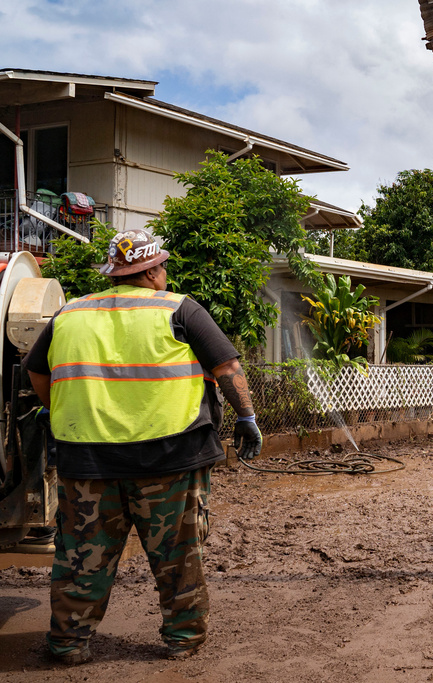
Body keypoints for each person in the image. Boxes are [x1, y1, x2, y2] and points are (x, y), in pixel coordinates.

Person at [26, 229, 264, 664]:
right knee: (178, 558)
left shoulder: (70, 313)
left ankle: (68, 643)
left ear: (115, 273)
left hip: (87, 462)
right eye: (164, 266)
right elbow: (226, 366)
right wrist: (246, 418)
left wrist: (59, 409)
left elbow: (38, 373)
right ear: (153, 270)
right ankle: (183, 641)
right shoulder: (180, 308)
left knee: (82, 559)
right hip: (170, 461)